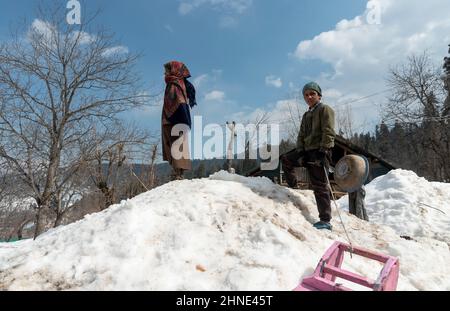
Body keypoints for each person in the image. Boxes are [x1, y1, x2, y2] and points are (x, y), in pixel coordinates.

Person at [281, 82, 335, 230]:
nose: (309, 97)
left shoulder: (325, 109)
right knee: (285, 159)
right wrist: (300, 151)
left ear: (319, 95)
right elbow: (301, 135)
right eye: (306, 95)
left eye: (312, 94)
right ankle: (293, 188)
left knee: (320, 185)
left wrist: (324, 150)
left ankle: (325, 220)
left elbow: (329, 131)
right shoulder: (306, 115)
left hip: (320, 151)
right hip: (307, 150)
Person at [162, 61, 197, 180]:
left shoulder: (175, 84)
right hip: (175, 119)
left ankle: (178, 174)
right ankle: (178, 172)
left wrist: (179, 120)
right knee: (176, 145)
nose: (165, 73)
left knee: (176, 145)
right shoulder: (177, 83)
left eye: (167, 70)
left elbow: (179, 102)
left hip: (174, 120)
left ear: (174, 70)